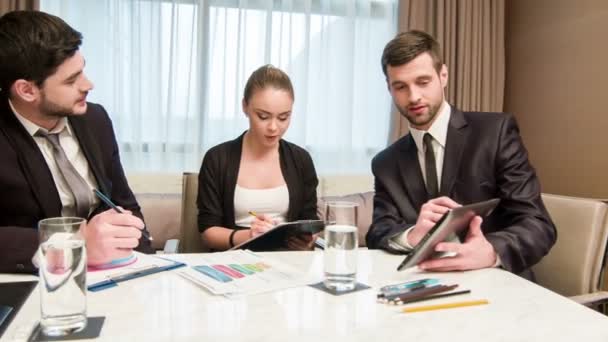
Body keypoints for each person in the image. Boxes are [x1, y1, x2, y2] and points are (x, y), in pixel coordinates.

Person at [365, 30, 556, 279]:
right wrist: (412, 235)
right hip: (422, 287)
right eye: (400, 86)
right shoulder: (385, 163)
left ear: (443, 76)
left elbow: (538, 224)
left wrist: (490, 251)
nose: (413, 97)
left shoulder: (495, 132)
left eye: (423, 82)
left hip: (497, 285)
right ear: (389, 89)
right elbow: (379, 231)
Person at [0, 11, 153, 273]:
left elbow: (123, 204)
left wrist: (147, 264)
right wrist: (73, 243)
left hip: (107, 273)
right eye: (71, 80)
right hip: (27, 281)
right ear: (27, 90)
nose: (88, 84)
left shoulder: (95, 119)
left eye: (82, 70)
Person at [197, 65, 319, 251]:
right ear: (245, 107)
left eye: (283, 117)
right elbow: (208, 232)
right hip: (233, 262)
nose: (273, 127)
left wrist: (308, 239)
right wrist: (248, 236)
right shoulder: (217, 159)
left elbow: (310, 221)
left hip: (288, 261)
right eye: (263, 116)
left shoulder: (301, 160)